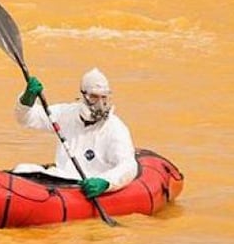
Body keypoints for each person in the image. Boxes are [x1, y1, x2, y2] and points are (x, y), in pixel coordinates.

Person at [12, 68, 139, 198]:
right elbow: (26, 119)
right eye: (94, 97)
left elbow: (128, 165)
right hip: (60, 180)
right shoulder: (66, 114)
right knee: (22, 168)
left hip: (87, 186)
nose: (100, 104)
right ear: (83, 95)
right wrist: (26, 99)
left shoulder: (115, 128)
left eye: (104, 97)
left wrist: (106, 182)